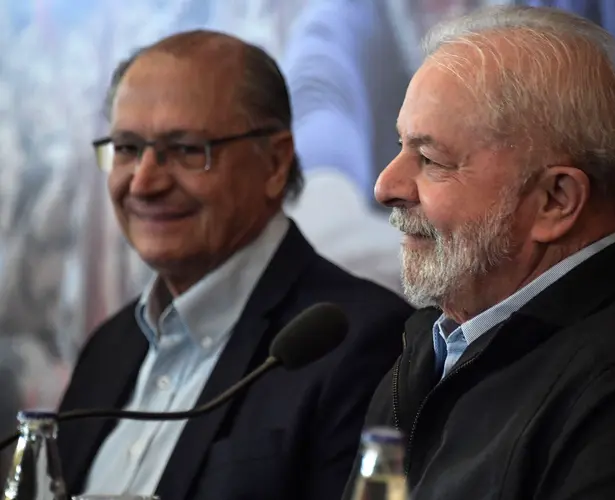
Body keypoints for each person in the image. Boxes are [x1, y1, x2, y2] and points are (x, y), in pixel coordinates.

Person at [343, 5, 615, 500]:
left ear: (556, 200)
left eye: (430, 159)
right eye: (400, 146)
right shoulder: (432, 349)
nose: (387, 185)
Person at [55, 30, 413, 500]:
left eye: (185, 150)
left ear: (274, 163)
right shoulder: (108, 347)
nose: (143, 182)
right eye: (126, 148)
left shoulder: (358, 342)